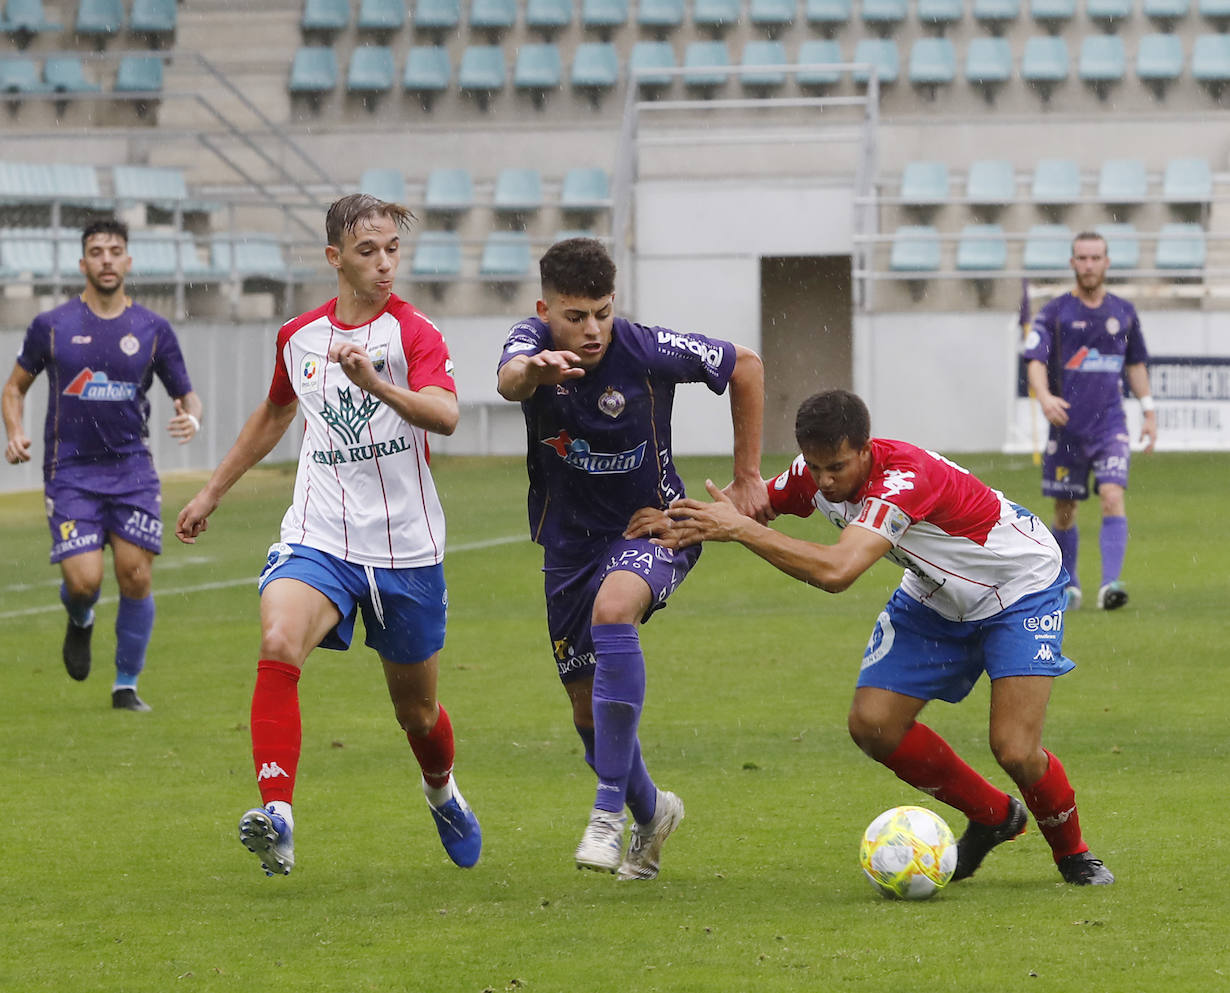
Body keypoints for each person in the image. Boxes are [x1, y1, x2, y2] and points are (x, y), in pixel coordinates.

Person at [649, 389, 1113, 885]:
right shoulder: (816, 475)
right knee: (873, 724)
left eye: (838, 468)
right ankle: (994, 817)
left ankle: (1074, 855)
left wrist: (739, 531)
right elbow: (750, 503)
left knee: (1015, 750)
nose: (825, 482)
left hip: (1019, 586)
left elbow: (837, 570)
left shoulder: (901, 482)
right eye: (815, 466)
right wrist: (675, 520)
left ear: (866, 449)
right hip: (935, 592)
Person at [175, 194, 481, 878]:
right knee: (279, 639)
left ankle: (441, 790)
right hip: (319, 538)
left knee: (418, 712)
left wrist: (376, 383)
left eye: (392, 250)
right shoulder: (298, 336)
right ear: (334, 257)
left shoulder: (414, 333)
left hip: (405, 548)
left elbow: (447, 415)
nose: (383, 264)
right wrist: (212, 490)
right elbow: (276, 411)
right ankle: (277, 814)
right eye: (367, 251)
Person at [496, 236, 768, 879]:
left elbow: (747, 366)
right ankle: (653, 812)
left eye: (602, 312)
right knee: (587, 715)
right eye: (574, 317)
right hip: (568, 544)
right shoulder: (528, 343)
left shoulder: (645, 348)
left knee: (614, 610)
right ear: (545, 310)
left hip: (657, 527)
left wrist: (748, 476)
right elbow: (509, 380)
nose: (591, 331)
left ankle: (607, 813)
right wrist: (534, 372)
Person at [0, 218, 202, 713]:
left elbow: (187, 395)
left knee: (135, 576)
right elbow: (14, 387)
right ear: (83, 263)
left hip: (132, 471)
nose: (107, 259)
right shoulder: (52, 327)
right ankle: (81, 617)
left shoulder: (153, 330)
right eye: (97, 251)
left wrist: (191, 420)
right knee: (84, 580)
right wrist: (15, 431)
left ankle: (126, 685)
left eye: (115, 251)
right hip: (70, 471)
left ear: (128, 261)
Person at [1023, 230, 1156, 612]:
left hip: (1109, 424)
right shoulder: (1055, 312)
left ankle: (1110, 585)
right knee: (1065, 510)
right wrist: (1045, 397)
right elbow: (1034, 360)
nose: (1089, 265)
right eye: (1082, 258)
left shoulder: (1124, 313)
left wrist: (1148, 410)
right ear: (1072, 263)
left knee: (1113, 495)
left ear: (1107, 262)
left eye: (1095, 258)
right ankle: (1070, 585)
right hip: (1067, 427)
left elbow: (1135, 364)